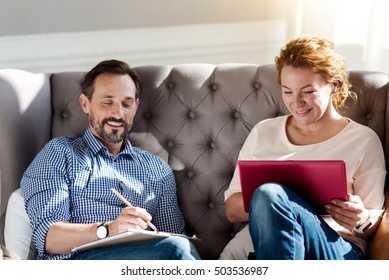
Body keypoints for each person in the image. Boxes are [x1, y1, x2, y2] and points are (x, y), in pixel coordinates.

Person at [222, 35, 386, 260]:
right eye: (287, 91)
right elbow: (232, 210)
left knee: (271, 193)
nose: (296, 103)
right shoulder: (263, 132)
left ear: (334, 86)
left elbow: (371, 225)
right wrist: (279, 200)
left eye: (308, 91)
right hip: (261, 244)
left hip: (333, 247)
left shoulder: (363, 140)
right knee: (270, 195)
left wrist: (361, 218)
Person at [21, 59, 200, 260]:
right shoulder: (59, 154)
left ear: (136, 107)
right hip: (76, 263)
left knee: (178, 246)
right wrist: (109, 229)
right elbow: (48, 238)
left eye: (127, 104)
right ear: (85, 104)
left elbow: (173, 237)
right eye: (107, 102)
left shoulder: (157, 169)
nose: (118, 113)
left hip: (140, 264)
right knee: (175, 250)